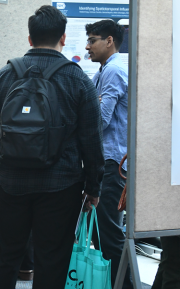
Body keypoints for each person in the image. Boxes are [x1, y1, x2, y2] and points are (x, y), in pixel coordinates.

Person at [0, 5, 104, 289]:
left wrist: (2, 171)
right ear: (63, 38)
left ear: (29, 39)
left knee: (4, 257)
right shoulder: (77, 79)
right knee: (52, 260)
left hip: (13, 185)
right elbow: (91, 139)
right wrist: (94, 186)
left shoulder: (5, 75)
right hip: (61, 186)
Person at [85, 19, 133, 289]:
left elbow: (99, 119)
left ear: (109, 41)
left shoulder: (114, 70)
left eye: (93, 40)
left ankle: (122, 285)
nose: (87, 46)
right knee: (102, 231)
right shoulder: (106, 70)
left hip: (112, 161)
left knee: (108, 233)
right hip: (109, 160)